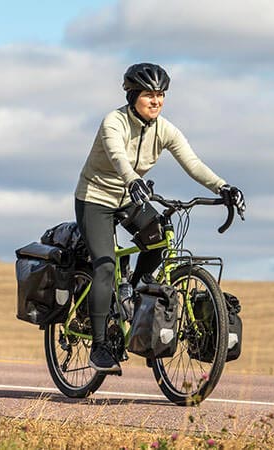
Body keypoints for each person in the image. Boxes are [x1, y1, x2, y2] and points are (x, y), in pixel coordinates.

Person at [74, 63, 245, 372]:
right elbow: (117, 156)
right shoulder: (114, 122)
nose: (156, 101)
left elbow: (192, 162)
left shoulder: (165, 129)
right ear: (132, 96)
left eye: (161, 95)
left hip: (131, 197)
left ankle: (135, 294)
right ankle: (99, 347)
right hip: (95, 199)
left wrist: (223, 187)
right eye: (149, 95)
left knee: (158, 242)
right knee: (105, 264)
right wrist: (132, 179)